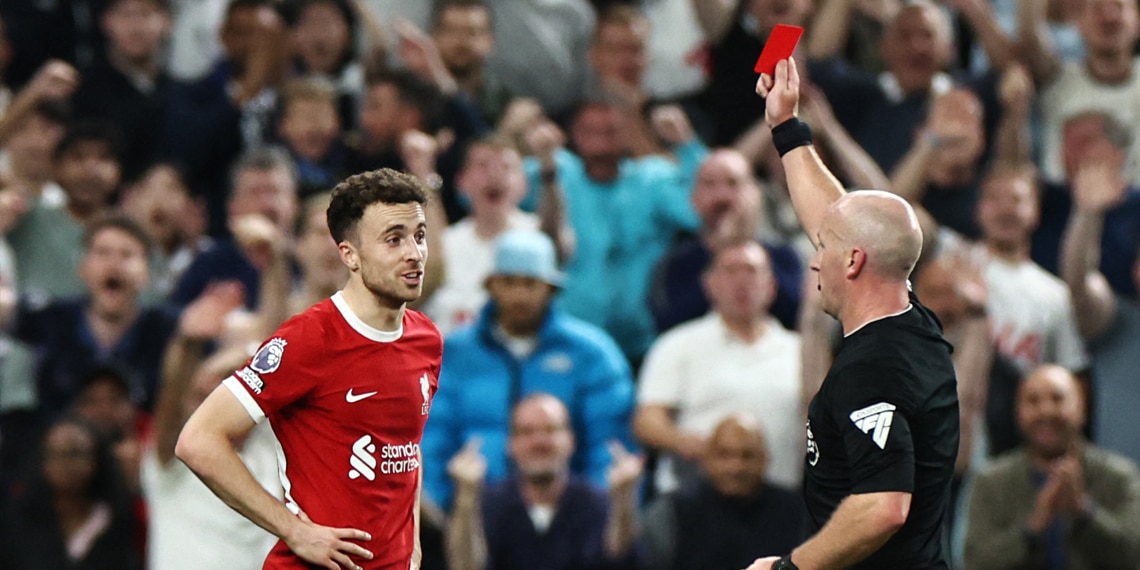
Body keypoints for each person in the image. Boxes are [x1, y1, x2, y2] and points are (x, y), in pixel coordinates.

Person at [745, 57, 959, 570]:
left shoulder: (873, 370)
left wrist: (788, 568)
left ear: (854, 261)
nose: (814, 259)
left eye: (824, 249)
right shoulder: (912, 321)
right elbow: (840, 219)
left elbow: (883, 508)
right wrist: (787, 129)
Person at [175, 168, 444, 570]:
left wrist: (413, 547)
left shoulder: (426, 339)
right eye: (393, 239)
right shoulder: (311, 338)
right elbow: (198, 440)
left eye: (419, 236)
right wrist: (294, 530)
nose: (413, 253)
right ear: (349, 254)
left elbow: (406, 447)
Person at [420, 230, 634, 509]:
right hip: (473, 516)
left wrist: (596, 520)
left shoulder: (592, 355)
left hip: (570, 521)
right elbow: (431, 440)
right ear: (491, 286)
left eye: (530, 283)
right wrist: (441, 518)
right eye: (509, 282)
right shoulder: (453, 354)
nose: (519, 295)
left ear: (551, 289)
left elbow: (609, 445)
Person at [636, 240, 803, 493]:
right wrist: (683, 442)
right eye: (730, 271)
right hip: (695, 497)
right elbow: (647, 420)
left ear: (771, 286)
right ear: (709, 285)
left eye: (751, 271)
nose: (741, 282)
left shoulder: (799, 350)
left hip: (782, 498)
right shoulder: (677, 345)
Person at [963, 364, 1140, 569]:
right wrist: (1033, 528)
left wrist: (1084, 511)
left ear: (1082, 407)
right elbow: (976, 561)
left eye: (1058, 398)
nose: (1045, 411)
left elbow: (1133, 555)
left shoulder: (1119, 476)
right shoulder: (991, 482)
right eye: (1033, 401)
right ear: (1017, 411)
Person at [444, 393, 641, 570]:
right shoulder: (490, 504)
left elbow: (618, 559)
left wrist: (624, 501)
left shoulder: (595, 503)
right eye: (526, 432)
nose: (539, 442)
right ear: (510, 444)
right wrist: (466, 500)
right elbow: (465, 566)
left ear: (571, 440)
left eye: (550, 430)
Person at [643, 415, 806, 570]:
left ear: (765, 459)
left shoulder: (797, 511)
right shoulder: (673, 511)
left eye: (747, 456)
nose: (736, 467)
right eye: (724, 455)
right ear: (707, 458)